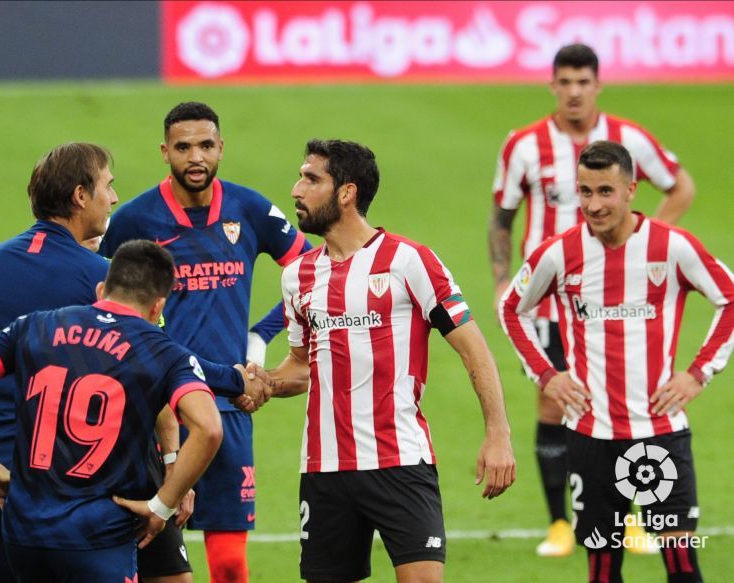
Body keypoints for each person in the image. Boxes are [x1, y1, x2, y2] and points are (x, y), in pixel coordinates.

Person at [0, 143, 252, 583]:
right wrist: (235, 379)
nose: (113, 198)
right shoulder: (100, 279)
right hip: (90, 482)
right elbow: (159, 359)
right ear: (81, 196)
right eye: (107, 186)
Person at [264, 139, 516, 583]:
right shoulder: (297, 276)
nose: (296, 189)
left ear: (347, 193)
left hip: (399, 461)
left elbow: (474, 348)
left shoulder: (409, 261)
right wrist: (263, 383)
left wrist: (498, 434)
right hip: (324, 470)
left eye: (311, 178)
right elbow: (302, 366)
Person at [488, 43, 696, 557]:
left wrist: (648, 243)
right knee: (555, 399)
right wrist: (500, 280)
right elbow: (502, 218)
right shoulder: (523, 145)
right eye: (565, 81)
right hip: (549, 299)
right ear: (552, 85)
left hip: (620, 297)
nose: (574, 91)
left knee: (635, 394)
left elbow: (681, 185)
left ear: (598, 85)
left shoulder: (629, 140)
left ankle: (636, 514)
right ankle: (561, 521)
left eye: (583, 81)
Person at [500, 140, 732, 583]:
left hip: (660, 436)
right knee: (603, 571)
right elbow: (512, 309)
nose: (594, 204)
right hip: (591, 440)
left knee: (683, 566)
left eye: (605, 191)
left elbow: (731, 297)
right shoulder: (559, 253)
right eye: (585, 192)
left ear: (631, 189)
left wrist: (699, 372)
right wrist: (546, 375)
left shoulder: (671, 247)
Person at [100, 101, 312, 582]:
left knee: (231, 563)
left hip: (229, 405)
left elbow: (314, 272)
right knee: (145, 552)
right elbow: (95, 295)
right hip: (154, 408)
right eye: (183, 147)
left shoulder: (250, 209)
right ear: (164, 152)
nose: (195, 157)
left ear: (221, 148)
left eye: (205, 145)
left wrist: (263, 332)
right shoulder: (134, 220)